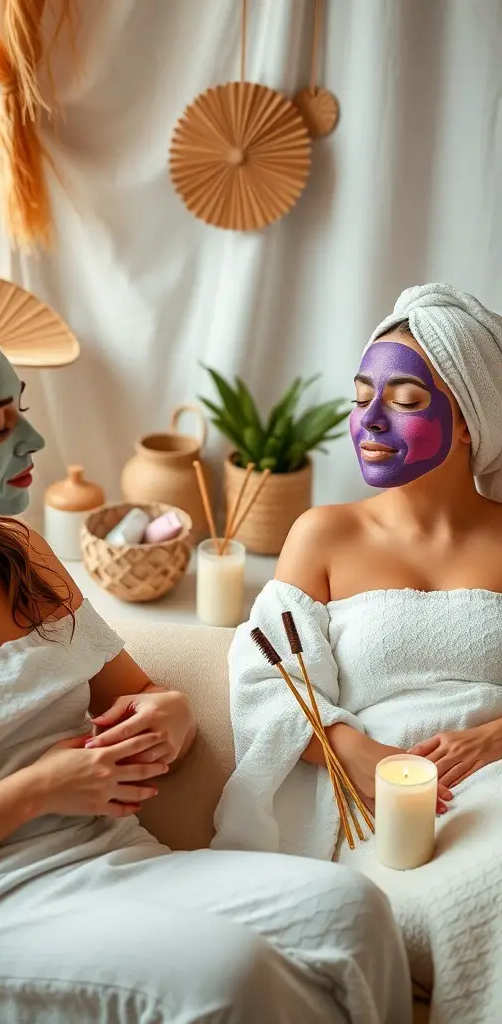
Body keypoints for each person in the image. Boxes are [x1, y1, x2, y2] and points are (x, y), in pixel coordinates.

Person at [0, 297, 411, 1024]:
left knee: (353, 911)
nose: (32, 439)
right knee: (230, 972)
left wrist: (169, 717)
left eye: (19, 409)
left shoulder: (20, 554)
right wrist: (38, 789)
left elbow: (145, 697)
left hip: (108, 855)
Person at [213, 283, 502, 1023]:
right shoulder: (324, 534)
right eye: (360, 396)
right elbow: (267, 676)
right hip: (381, 805)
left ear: (467, 421)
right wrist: (358, 754)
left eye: (404, 399)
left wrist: (494, 737)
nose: (369, 420)